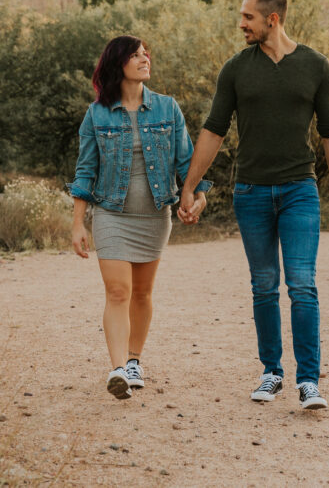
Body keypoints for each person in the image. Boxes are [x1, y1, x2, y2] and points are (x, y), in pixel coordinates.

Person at [179, 0, 329, 410]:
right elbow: (213, 130)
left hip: (299, 190)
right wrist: (189, 185)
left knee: (302, 285)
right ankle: (272, 372)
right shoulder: (236, 69)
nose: (241, 24)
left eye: (248, 17)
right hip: (251, 191)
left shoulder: (316, 66)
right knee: (263, 285)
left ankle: (308, 381)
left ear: (272, 19)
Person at [68, 35, 210, 400]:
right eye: (135, 55)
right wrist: (77, 223)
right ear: (119, 64)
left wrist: (197, 197)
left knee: (143, 293)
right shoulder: (97, 113)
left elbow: (186, 163)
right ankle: (117, 369)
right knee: (118, 291)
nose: (144, 59)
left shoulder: (167, 108)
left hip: (154, 214)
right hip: (111, 213)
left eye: (146, 53)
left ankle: (133, 361)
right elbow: (85, 171)